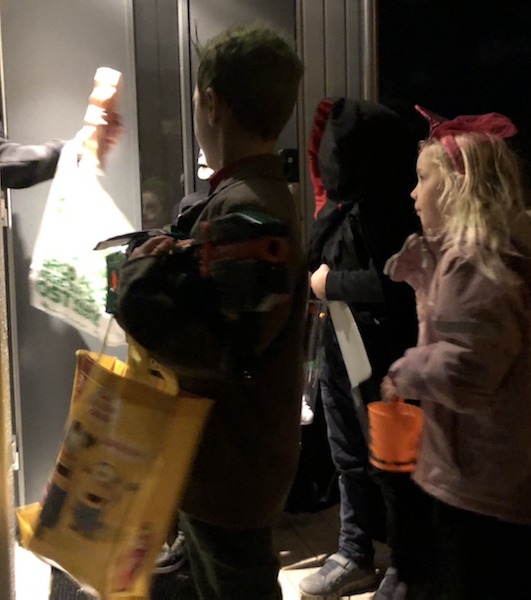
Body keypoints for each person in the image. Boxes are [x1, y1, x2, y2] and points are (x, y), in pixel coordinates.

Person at [115, 24, 305, 599]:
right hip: (230, 457)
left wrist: (136, 280)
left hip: (230, 463)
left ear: (212, 103)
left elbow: (215, 347)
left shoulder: (247, 206)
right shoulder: (250, 195)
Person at [380, 107, 531, 599]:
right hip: (513, 475)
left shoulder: (470, 263)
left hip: (486, 486)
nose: (413, 193)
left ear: (457, 186)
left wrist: (403, 371)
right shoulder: (487, 254)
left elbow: (466, 370)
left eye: (423, 178)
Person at [298, 97, 423, 600]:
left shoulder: (395, 207)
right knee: (346, 454)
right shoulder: (343, 205)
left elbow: (397, 284)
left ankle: (407, 566)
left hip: (389, 358)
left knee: (395, 466)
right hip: (341, 349)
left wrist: (329, 284)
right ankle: (355, 551)